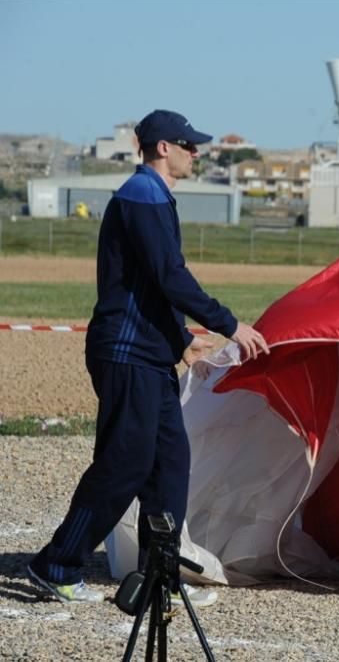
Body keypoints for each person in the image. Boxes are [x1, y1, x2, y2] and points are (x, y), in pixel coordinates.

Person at [27, 109, 269, 604]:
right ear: (163, 147)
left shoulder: (154, 197)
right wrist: (228, 324)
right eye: (189, 145)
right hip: (126, 352)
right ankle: (56, 564)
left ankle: (158, 574)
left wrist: (180, 339)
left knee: (169, 464)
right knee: (124, 463)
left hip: (149, 353)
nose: (196, 153)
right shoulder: (141, 197)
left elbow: (147, 287)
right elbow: (169, 276)